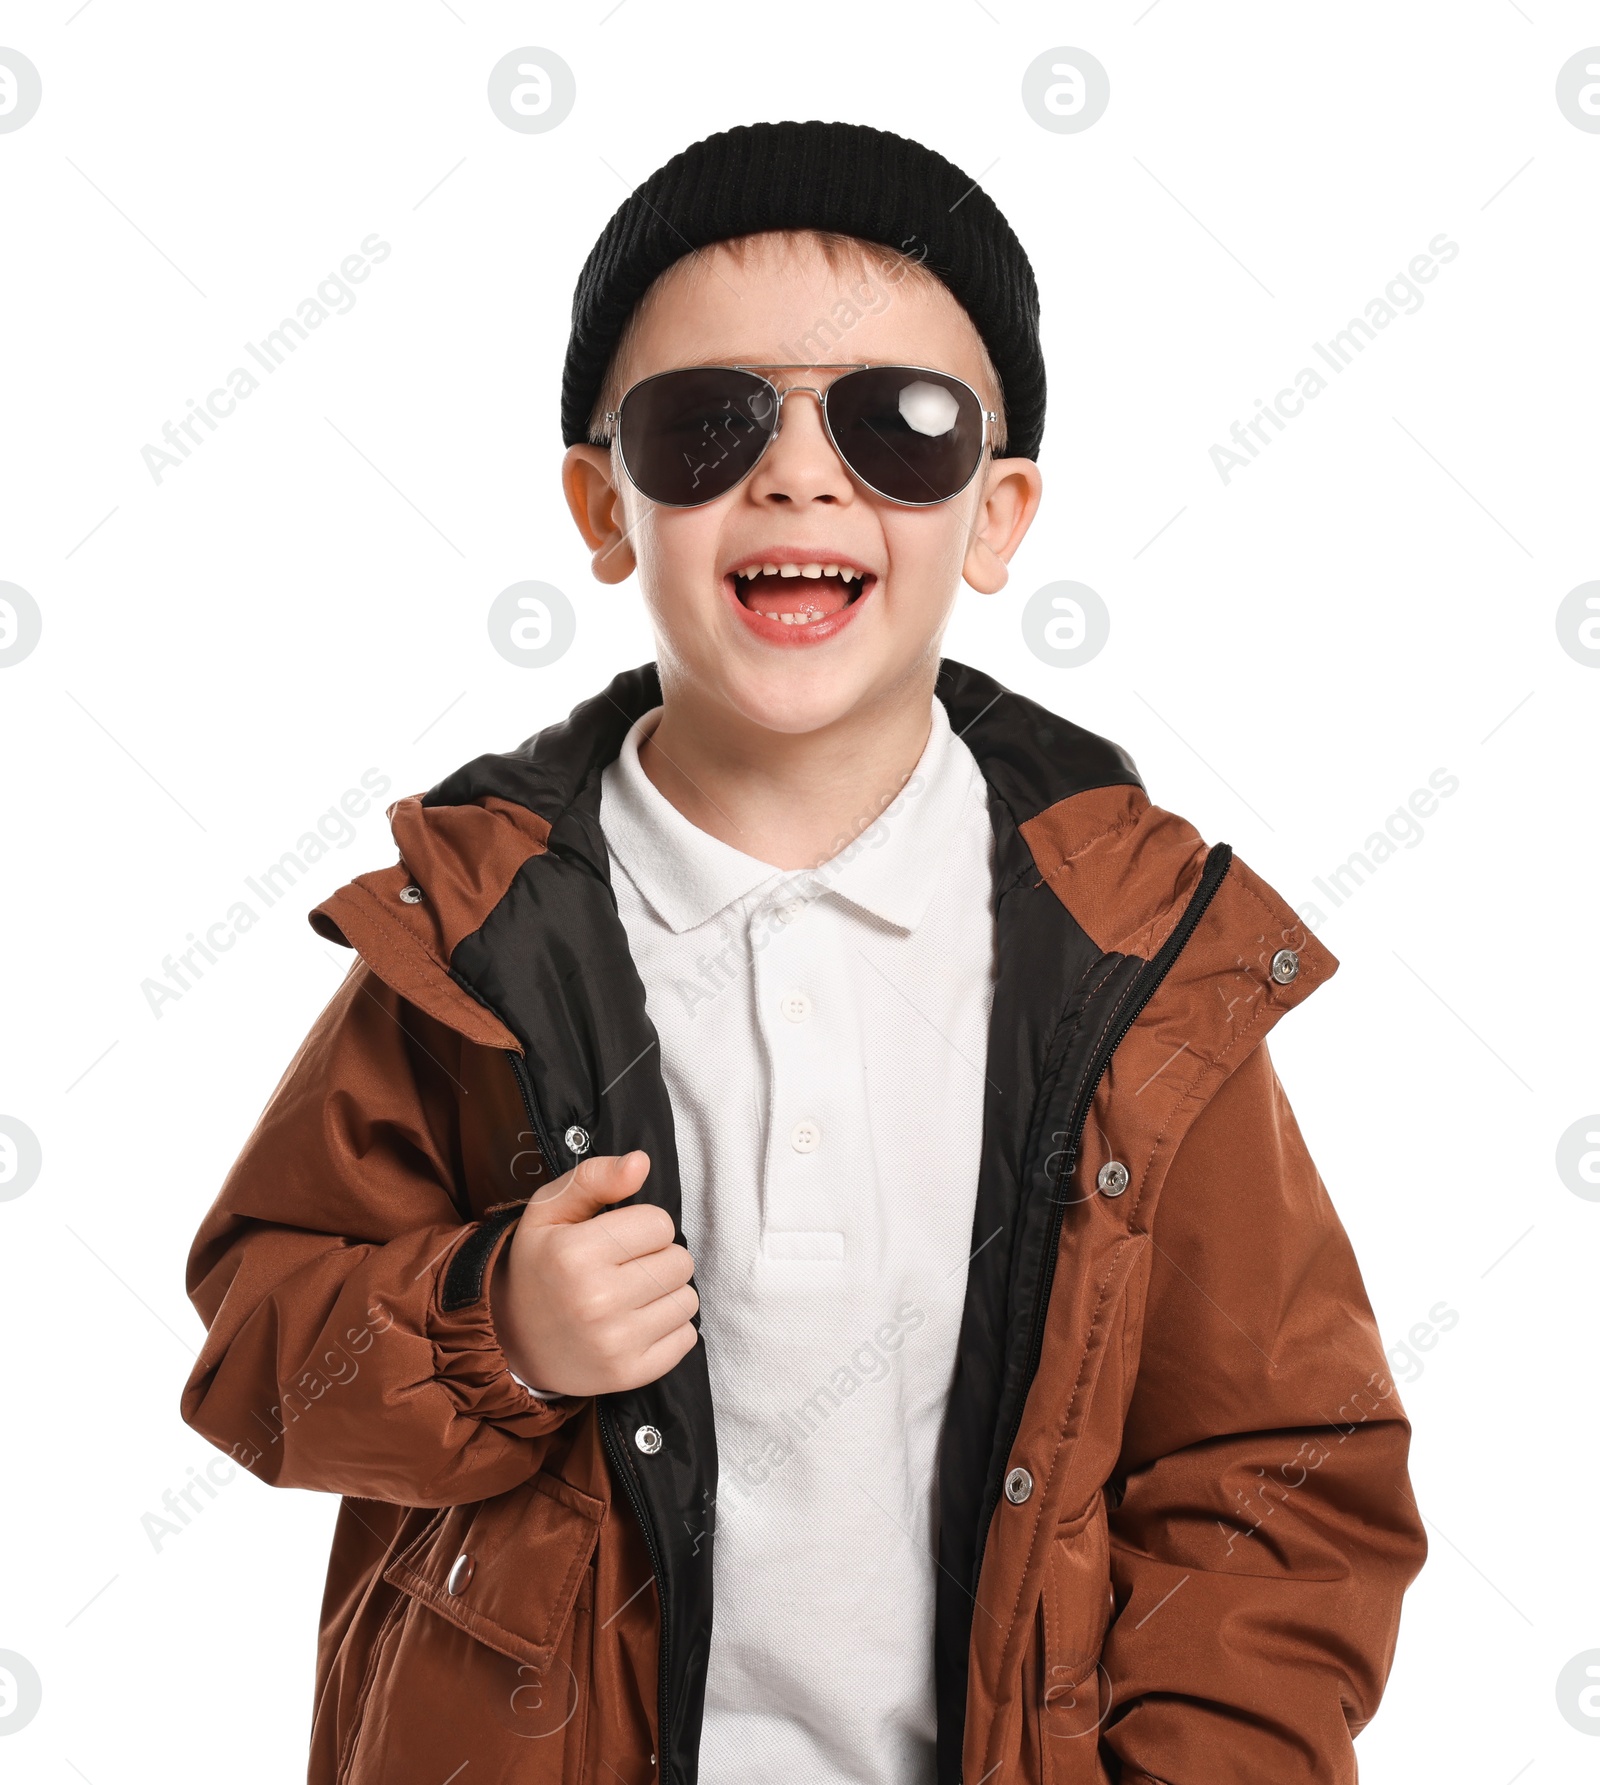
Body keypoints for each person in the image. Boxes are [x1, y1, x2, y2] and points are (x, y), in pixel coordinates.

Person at [180, 119, 1426, 1785]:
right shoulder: (477, 939)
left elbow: (1277, 1466)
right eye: (708, 424)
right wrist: (493, 1325)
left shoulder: (1129, 964)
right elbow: (263, 1355)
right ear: (602, 504)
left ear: (997, 514)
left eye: (898, 427)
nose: (799, 473)